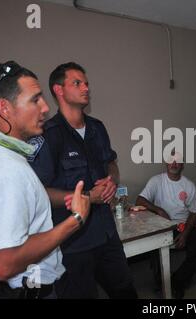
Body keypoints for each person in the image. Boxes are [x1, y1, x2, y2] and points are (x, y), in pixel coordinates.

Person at [0, 61, 90, 299]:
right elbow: (4, 263)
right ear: (4, 108)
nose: (45, 108)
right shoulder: (0, 168)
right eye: (35, 100)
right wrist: (75, 220)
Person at [28, 62, 137, 298]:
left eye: (86, 83)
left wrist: (112, 181)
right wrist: (88, 196)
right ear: (58, 90)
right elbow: (38, 192)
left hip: (107, 235)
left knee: (126, 292)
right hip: (73, 244)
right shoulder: (47, 135)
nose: (85, 87)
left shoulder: (98, 128)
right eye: (77, 83)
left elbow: (111, 162)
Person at [136, 152, 196, 299]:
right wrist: (158, 209)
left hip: (183, 226)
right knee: (154, 245)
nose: (174, 164)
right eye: (171, 161)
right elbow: (139, 200)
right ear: (166, 163)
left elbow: (194, 213)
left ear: (182, 165)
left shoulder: (189, 185)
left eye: (178, 161)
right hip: (161, 226)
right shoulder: (156, 181)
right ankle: (161, 282)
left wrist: (185, 234)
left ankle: (177, 281)